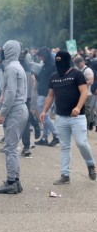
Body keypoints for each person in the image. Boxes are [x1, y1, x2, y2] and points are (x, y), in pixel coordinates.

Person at [40, 51, 96, 185]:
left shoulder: (77, 74)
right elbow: (50, 95)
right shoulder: (54, 77)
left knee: (81, 143)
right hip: (60, 117)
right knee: (64, 146)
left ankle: (91, 165)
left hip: (77, 117)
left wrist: (77, 107)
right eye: (57, 61)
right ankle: (65, 175)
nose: (60, 64)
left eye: (62, 61)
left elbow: (83, 92)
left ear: (68, 61)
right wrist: (44, 111)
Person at [0, 40, 28, 194]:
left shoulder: (11, 68)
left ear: (9, 51)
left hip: (15, 110)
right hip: (20, 109)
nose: (2, 52)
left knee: (10, 148)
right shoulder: (17, 66)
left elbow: (11, 92)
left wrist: (3, 113)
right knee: (12, 147)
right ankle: (16, 180)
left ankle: (11, 182)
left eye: (4, 49)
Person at [34, 47, 59, 147]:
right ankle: (44, 138)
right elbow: (42, 79)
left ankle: (56, 135)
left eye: (40, 55)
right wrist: (36, 75)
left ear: (45, 55)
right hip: (44, 93)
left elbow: (52, 81)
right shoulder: (45, 66)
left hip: (46, 94)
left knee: (44, 116)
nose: (39, 57)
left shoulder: (52, 67)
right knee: (45, 116)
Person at [73, 56, 94, 130]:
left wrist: (80, 83)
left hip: (87, 93)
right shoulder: (78, 70)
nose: (78, 65)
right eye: (76, 64)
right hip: (80, 93)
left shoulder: (88, 70)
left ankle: (89, 124)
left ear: (82, 62)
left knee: (87, 110)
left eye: (78, 64)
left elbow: (91, 82)